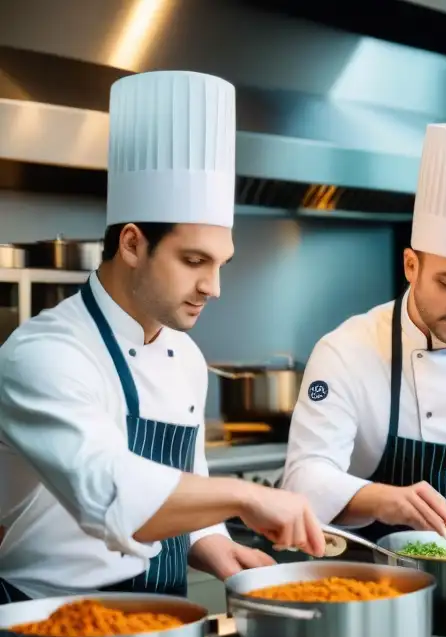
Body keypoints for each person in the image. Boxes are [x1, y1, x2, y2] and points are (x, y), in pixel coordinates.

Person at [0, 71, 324, 604]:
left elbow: (184, 487)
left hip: (169, 618)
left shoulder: (187, 359)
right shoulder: (43, 355)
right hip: (50, 626)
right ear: (131, 243)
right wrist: (244, 497)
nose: (214, 288)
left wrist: (215, 544)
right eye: (194, 261)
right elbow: (110, 493)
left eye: (221, 264)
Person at [284, 121, 446, 540]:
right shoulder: (346, 351)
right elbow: (303, 479)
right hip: (375, 581)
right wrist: (386, 500)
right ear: (411, 266)